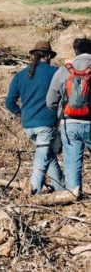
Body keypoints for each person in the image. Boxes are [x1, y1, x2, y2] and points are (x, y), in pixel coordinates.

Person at [5, 41, 64, 194]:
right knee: (40, 161)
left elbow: (9, 102)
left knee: (48, 156)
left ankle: (61, 189)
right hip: (46, 124)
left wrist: (22, 114)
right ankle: (34, 194)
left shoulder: (20, 75)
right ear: (49, 56)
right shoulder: (55, 72)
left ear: (33, 55)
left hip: (28, 125)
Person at [46, 37, 91, 193]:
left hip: (69, 123)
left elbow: (50, 100)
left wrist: (60, 111)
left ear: (76, 52)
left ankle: (73, 195)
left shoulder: (64, 70)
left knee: (72, 161)